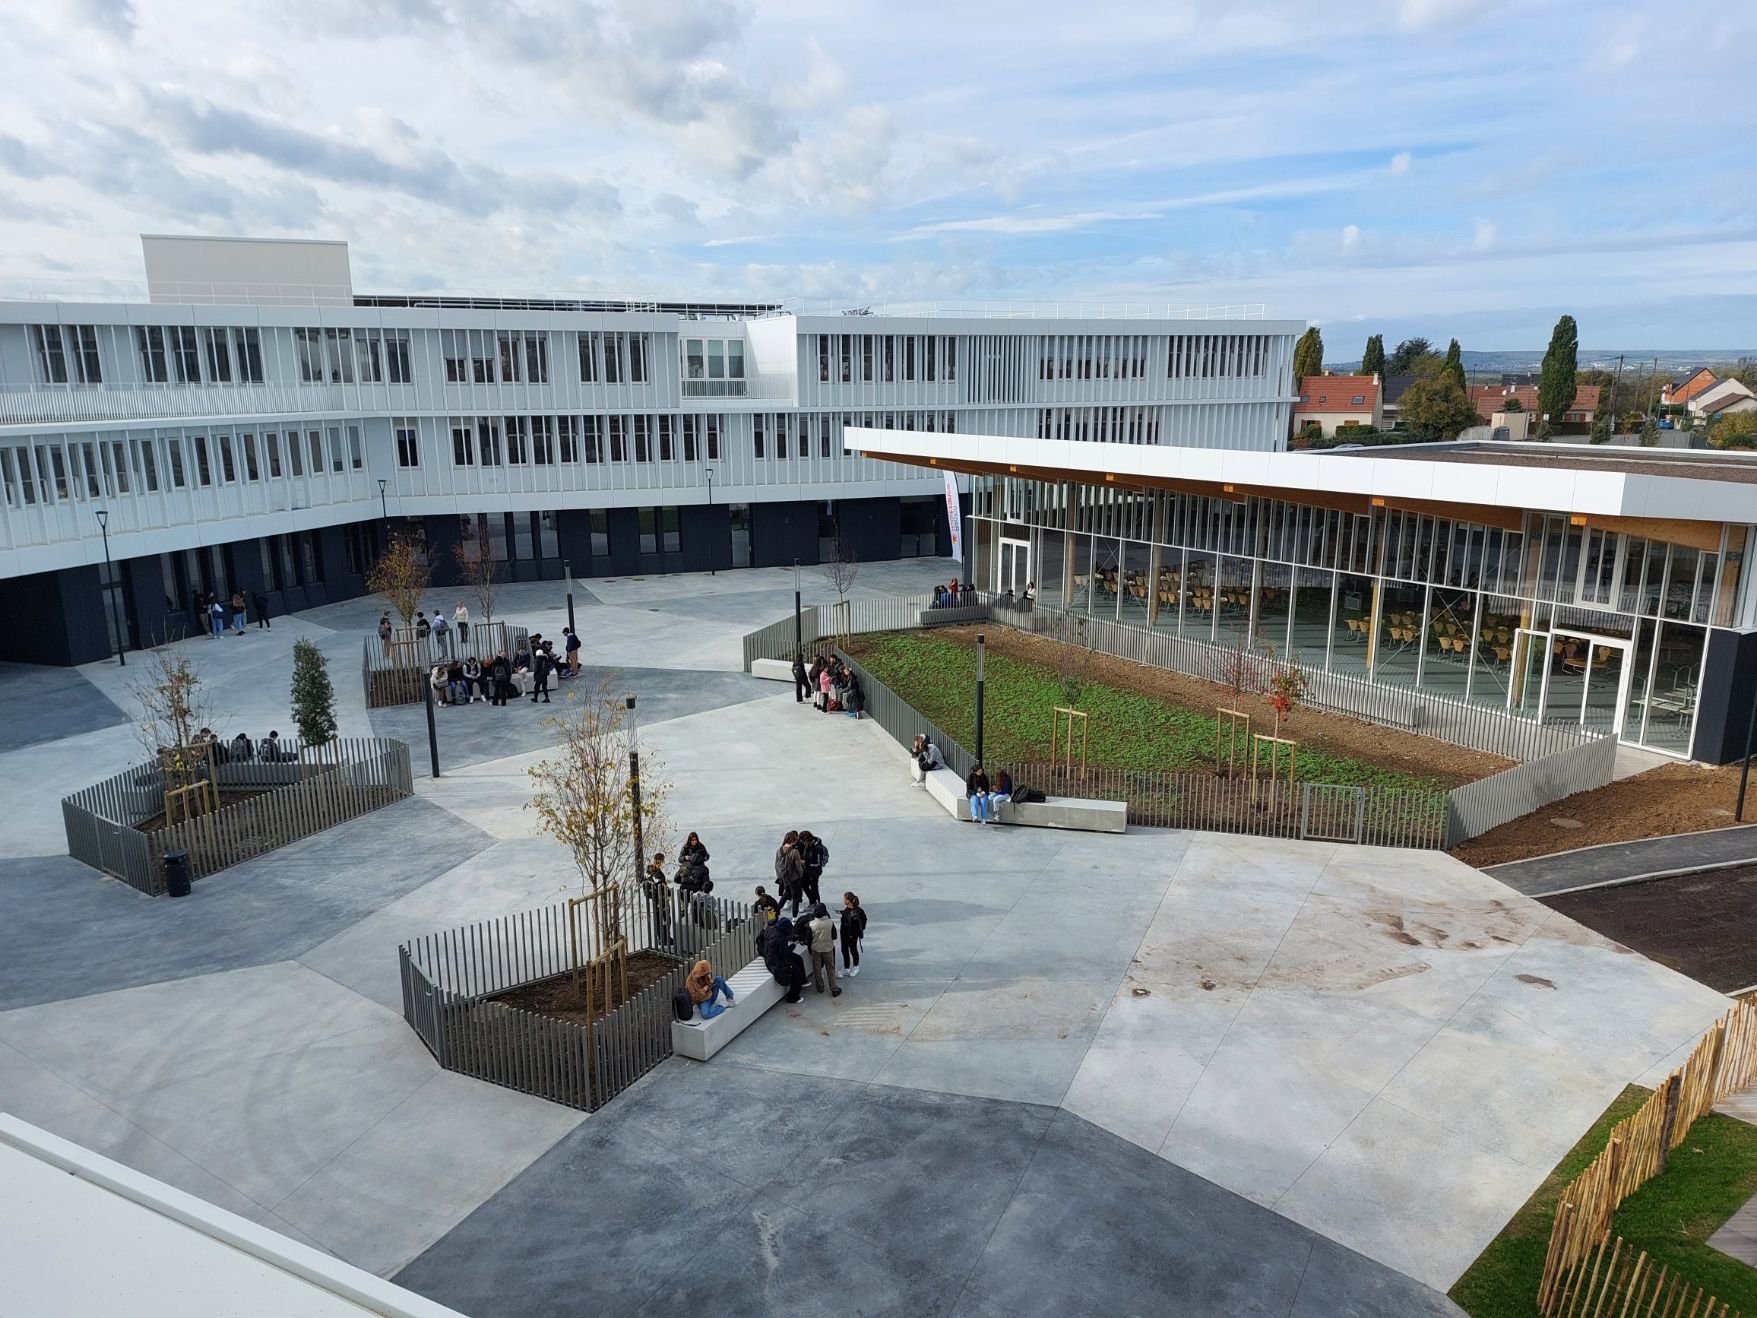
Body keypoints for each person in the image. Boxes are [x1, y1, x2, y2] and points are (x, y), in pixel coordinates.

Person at [759, 917, 807, 1004]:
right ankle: (793, 997)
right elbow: (785, 952)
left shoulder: (771, 930)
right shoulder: (780, 939)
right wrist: (793, 945)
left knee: (798, 959)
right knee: (796, 973)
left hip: (771, 956)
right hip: (776, 962)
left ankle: (803, 981)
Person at [806, 903, 842, 997]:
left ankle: (820, 987)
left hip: (816, 949)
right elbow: (834, 936)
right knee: (830, 968)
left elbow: (809, 939)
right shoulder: (830, 923)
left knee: (817, 968)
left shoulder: (811, 924)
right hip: (828, 948)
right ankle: (834, 988)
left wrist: (810, 949)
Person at [643, 853, 673, 946]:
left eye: (660, 862)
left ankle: (665, 936)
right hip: (659, 900)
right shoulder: (653, 873)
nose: (659, 864)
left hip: (661, 898)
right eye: (658, 862)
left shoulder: (654, 872)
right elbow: (654, 888)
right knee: (662, 919)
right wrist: (659, 900)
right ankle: (662, 938)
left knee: (666, 919)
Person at [775, 831, 805, 917]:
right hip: (794, 878)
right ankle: (794, 918)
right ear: (794, 840)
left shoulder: (779, 850)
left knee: (786, 894)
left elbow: (776, 864)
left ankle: (775, 913)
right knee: (796, 897)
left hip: (784, 877)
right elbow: (798, 866)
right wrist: (800, 874)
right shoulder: (794, 852)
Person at [799, 830, 828, 910]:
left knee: (814, 886)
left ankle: (816, 902)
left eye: (803, 841)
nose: (803, 844)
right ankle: (812, 901)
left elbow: (818, 863)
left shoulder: (818, 848)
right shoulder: (808, 845)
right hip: (807, 870)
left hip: (815, 871)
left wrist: (805, 862)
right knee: (803, 884)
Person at [840, 891, 867, 977]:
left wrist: (858, 931)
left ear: (849, 900)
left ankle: (856, 967)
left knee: (853, 950)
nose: (843, 900)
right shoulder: (846, 909)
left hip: (852, 936)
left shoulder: (859, 911)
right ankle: (846, 968)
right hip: (844, 934)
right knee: (844, 950)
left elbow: (864, 921)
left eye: (845, 899)